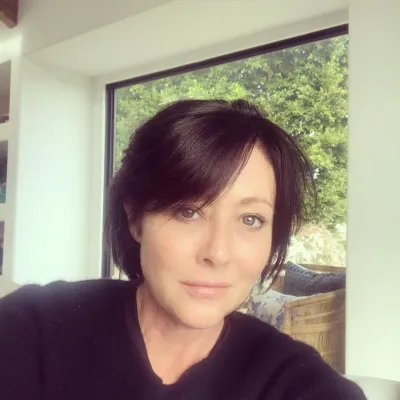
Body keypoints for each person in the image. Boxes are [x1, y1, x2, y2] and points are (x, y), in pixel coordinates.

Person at [0, 99, 365, 399]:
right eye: (188, 212)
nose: (217, 253)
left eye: (251, 219)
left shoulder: (298, 384)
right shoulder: (31, 330)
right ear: (135, 219)